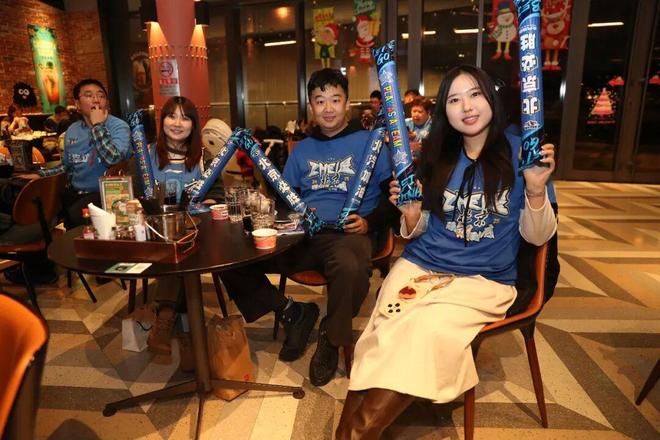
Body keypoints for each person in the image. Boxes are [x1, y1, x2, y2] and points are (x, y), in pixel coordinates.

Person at [335, 65, 557, 438]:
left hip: (483, 280)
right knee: (383, 328)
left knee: (424, 327)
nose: (466, 107)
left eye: (475, 94)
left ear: (491, 98)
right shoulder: (437, 155)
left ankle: (353, 435)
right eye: (454, 99)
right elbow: (420, 229)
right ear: (445, 111)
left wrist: (535, 190)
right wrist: (410, 214)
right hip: (421, 265)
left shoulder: (524, 153)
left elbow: (537, 238)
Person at [219, 68, 396, 386]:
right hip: (302, 235)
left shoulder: (369, 143)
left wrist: (370, 221)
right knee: (230, 257)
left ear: (347, 104)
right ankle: (292, 312)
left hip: (348, 234)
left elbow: (391, 197)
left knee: (351, 267)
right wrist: (282, 211)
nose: (328, 108)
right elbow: (286, 198)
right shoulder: (301, 150)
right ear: (311, 107)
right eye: (320, 100)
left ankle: (331, 336)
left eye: (335, 100)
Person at [144, 96, 203, 356]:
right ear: (162, 120)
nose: (177, 123)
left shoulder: (203, 156)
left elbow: (217, 196)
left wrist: (205, 202)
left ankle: (167, 318)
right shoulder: (146, 155)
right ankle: (188, 338)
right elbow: (135, 195)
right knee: (173, 250)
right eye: (171, 116)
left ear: (193, 125)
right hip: (155, 231)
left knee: (181, 249)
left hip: (194, 230)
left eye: (185, 118)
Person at [40, 79, 131, 228]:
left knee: (74, 216)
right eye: (89, 95)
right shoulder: (72, 130)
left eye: (101, 96)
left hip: (107, 196)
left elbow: (113, 159)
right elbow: (67, 166)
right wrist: (40, 175)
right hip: (76, 195)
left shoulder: (119, 127)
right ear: (77, 104)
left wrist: (97, 125)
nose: (96, 99)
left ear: (107, 102)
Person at [405, 96, 433, 160]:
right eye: (414, 111)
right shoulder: (404, 123)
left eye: (420, 112)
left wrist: (415, 138)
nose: (416, 115)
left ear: (428, 112)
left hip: (425, 161)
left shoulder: (434, 126)